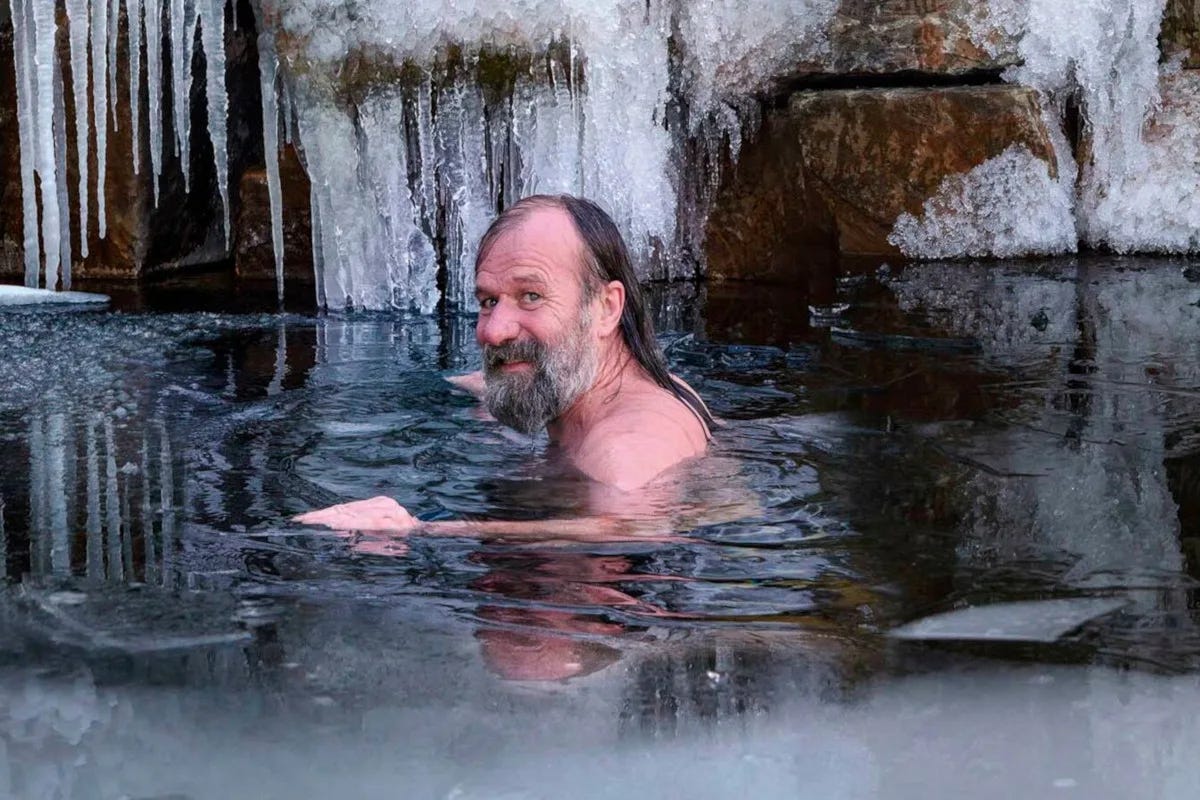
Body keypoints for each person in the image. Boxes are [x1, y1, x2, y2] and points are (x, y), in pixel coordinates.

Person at [294, 194, 718, 537]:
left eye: (531, 296)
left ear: (606, 308)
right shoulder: (646, 384)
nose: (493, 332)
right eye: (488, 301)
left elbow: (630, 526)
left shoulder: (620, 450)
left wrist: (418, 529)